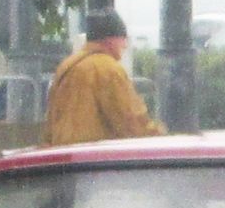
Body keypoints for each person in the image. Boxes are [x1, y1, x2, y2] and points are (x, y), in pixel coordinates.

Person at [42, 9, 165, 146]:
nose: (124, 45)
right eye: (123, 39)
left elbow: (51, 121)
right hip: (95, 158)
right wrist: (160, 136)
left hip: (63, 157)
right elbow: (130, 121)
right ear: (110, 40)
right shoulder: (109, 69)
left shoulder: (66, 66)